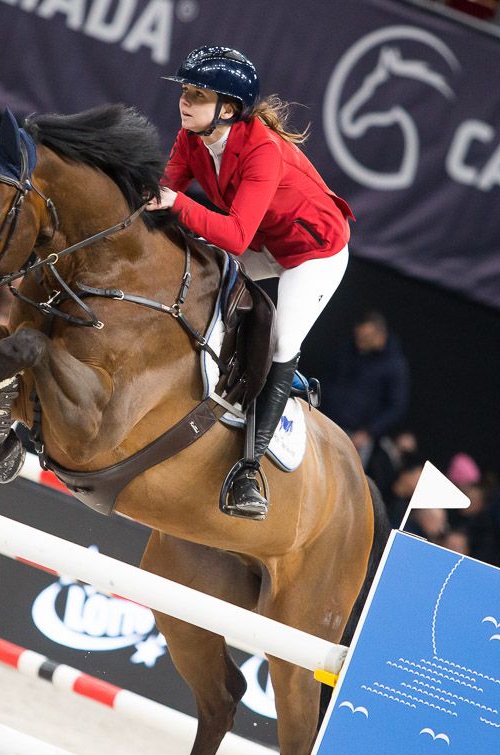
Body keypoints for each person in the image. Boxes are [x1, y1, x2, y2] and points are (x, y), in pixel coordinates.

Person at [146, 45, 355, 520]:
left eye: (197, 95)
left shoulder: (262, 149)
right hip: (266, 238)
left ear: (227, 109)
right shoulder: (192, 138)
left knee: (283, 340)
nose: (184, 102)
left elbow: (233, 234)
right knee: (196, 275)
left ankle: (248, 470)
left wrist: (175, 203)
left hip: (314, 251)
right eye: (185, 92)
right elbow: (162, 194)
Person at [322, 311, 411, 465]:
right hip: (326, 420)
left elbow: (396, 407)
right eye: (358, 336)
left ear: (380, 336)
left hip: (356, 436)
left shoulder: (395, 365)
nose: (360, 341)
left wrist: (368, 431)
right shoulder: (348, 348)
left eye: (365, 337)